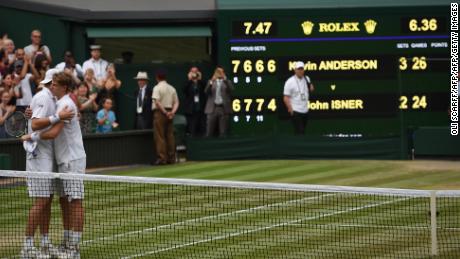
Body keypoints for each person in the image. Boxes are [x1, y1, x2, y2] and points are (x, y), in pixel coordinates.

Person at [22, 72, 86, 258]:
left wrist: (31, 136)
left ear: (63, 87)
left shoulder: (65, 103)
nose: (52, 87)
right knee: (65, 200)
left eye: (55, 84)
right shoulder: (57, 102)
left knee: (75, 201)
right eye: (51, 84)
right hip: (62, 160)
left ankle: (73, 248)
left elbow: (53, 133)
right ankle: (67, 244)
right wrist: (31, 115)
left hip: (71, 159)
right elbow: (43, 122)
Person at [152, 70, 179, 165]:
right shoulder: (172, 88)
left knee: (160, 136)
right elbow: (176, 102)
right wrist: (172, 112)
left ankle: (162, 159)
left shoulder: (157, 88)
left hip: (160, 113)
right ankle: (171, 158)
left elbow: (157, 102)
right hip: (170, 112)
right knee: (170, 135)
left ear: (157, 78)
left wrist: (165, 112)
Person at [283, 61, 315, 135]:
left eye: (302, 69)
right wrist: (291, 110)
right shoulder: (290, 81)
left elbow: (311, 88)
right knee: (299, 132)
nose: (300, 71)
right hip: (296, 111)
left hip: (305, 110)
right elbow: (286, 97)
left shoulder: (307, 78)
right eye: (299, 69)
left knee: (302, 131)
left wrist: (311, 87)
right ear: (295, 70)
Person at [204, 67, 234, 137]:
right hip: (212, 108)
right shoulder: (211, 82)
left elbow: (231, 90)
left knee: (223, 132)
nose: (220, 74)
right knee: (209, 131)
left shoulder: (227, 82)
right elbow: (206, 91)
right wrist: (211, 81)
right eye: (218, 72)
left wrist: (225, 80)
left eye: (221, 72)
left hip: (223, 108)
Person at [183, 67, 206, 136]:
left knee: (202, 129)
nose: (194, 73)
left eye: (196, 71)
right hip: (191, 110)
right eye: (192, 72)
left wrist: (200, 79)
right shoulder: (188, 83)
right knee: (192, 130)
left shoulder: (201, 83)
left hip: (201, 109)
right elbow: (184, 90)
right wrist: (190, 80)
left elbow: (205, 89)